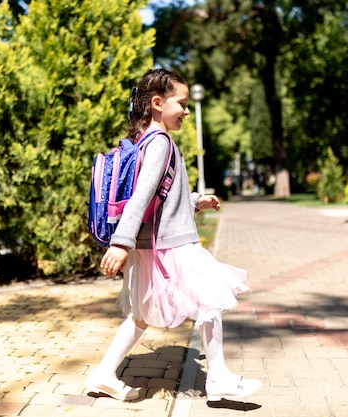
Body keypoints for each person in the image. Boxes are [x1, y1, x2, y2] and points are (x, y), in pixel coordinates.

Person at [85, 69, 262, 402]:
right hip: (172, 246)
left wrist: (196, 200)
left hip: (156, 245)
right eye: (181, 103)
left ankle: (103, 374)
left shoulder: (149, 142)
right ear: (157, 103)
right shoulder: (162, 142)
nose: (186, 110)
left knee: (140, 316)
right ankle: (219, 378)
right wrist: (120, 243)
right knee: (210, 300)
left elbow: (162, 198)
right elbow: (141, 196)